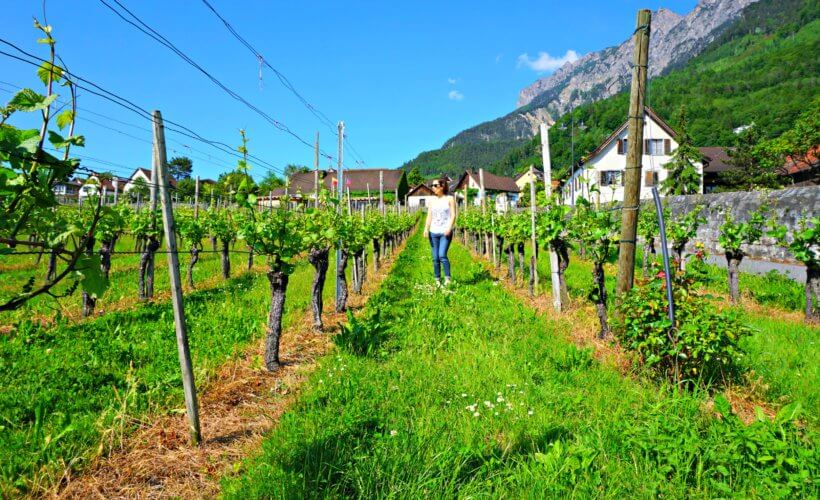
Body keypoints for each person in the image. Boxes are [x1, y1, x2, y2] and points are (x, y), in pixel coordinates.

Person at [423, 177, 457, 286]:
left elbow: (453, 215)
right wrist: (426, 228)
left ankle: (447, 278)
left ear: (442, 186)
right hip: (433, 232)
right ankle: (437, 279)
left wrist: (449, 227)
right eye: (432, 186)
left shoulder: (450, 199)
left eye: (435, 185)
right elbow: (429, 216)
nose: (433, 188)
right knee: (435, 258)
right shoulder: (432, 201)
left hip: (445, 232)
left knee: (442, 255)